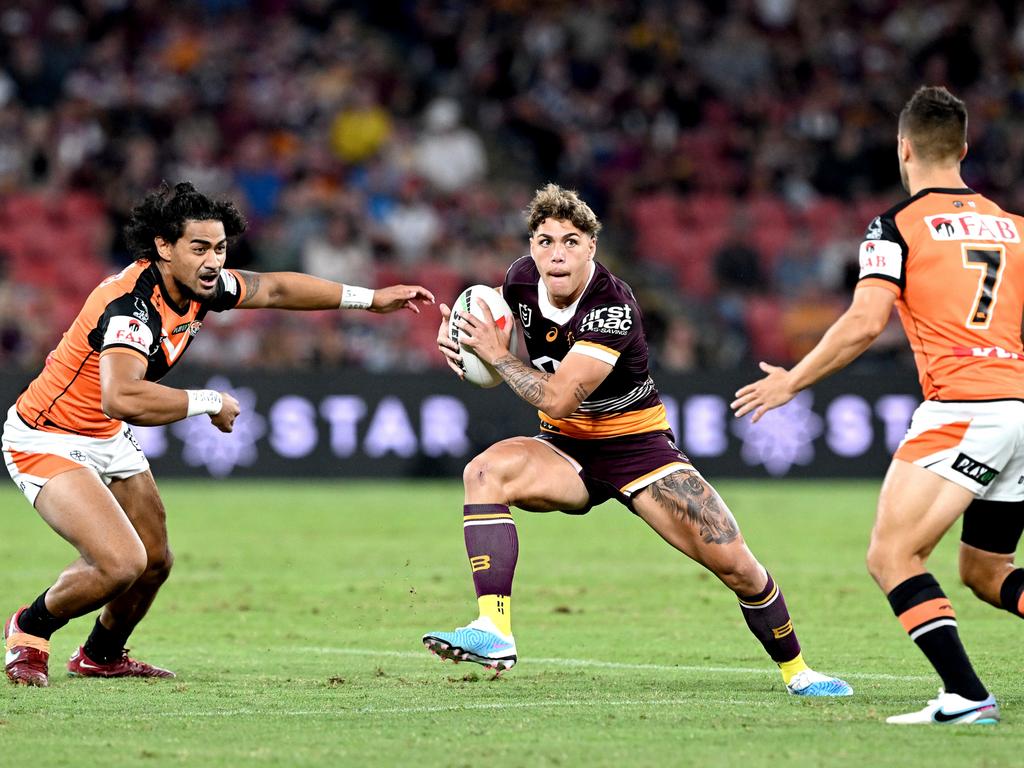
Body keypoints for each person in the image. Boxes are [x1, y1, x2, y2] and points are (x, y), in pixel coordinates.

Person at [421, 183, 851, 697]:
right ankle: (494, 629)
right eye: (544, 240)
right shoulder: (517, 280)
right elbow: (499, 341)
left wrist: (496, 356)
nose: (556, 253)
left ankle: (799, 672)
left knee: (735, 563)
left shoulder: (612, 306)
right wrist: (462, 340)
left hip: (638, 448)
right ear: (531, 245)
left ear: (592, 247)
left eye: (571, 241)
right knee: (484, 472)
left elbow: (556, 395)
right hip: (566, 446)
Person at [2, 181, 433, 687]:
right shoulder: (131, 307)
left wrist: (371, 299)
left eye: (221, 248)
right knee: (121, 563)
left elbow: (274, 289)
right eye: (200, 248)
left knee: (155, 562)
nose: (213, 261)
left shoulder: (200, 287)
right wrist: (208, 401)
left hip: (105, 434)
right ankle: (28, 631)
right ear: (164, 247)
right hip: (46, 436)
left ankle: (101, 655)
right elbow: (121, 397)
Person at [731, 86, 1017, 725]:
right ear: (964, 149)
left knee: (891, 556)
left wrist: (792, 382)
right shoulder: (1014, 228)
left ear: (903, 148)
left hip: (963, 406)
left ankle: (967, 697)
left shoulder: (894, 226)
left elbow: (865, 322)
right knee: (987, 571)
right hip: (1019, 408)